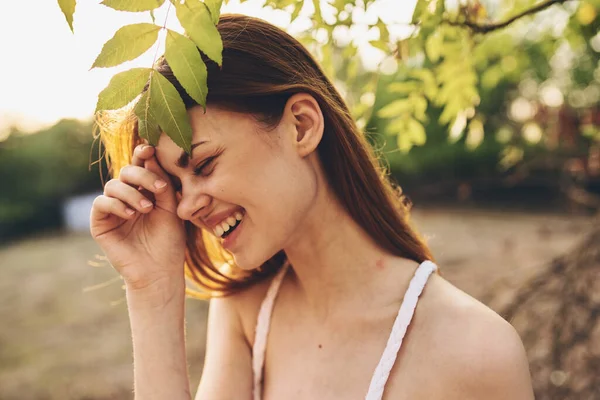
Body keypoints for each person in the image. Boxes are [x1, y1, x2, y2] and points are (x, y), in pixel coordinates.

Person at [90, 14, 535, 400]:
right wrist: (152, 293)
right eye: (174, 185)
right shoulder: (245, 313)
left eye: (204, 164)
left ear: (301, 126)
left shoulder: (476, 350)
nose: (185, 208)